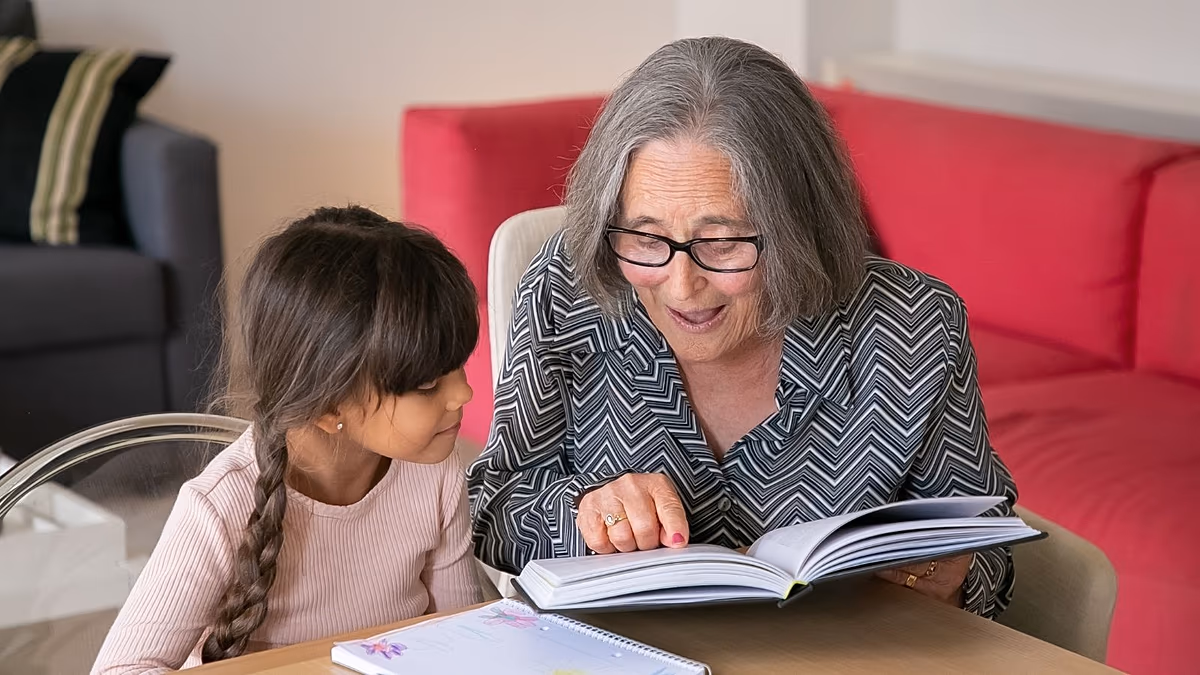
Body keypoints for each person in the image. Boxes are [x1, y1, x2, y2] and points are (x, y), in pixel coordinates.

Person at [468, 36, 1019, 618]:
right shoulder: (569, 289)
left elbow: (987, 546)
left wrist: (946, 574)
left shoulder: (913, 324)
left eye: (724, 243)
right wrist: (585, 515)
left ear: (799, 227)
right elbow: (494, 505)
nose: (681, 288)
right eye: (646, 239)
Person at [93, 206, 482, 673]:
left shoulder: (435, 470)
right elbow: (121, 668)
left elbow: (467, 641)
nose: (464, 393)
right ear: (328, 407)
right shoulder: (220, 507)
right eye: (427, 385)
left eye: (459, 365)